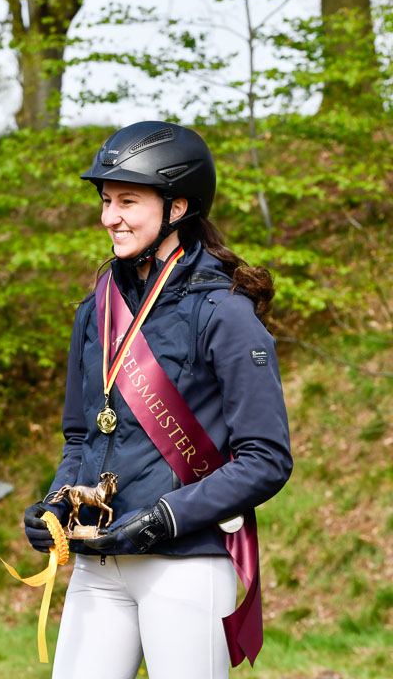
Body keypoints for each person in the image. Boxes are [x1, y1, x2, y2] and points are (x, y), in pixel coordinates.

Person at [24, 121, 293, 679]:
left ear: (177, 207)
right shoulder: (94, 310)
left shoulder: (226, 312)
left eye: (127, 201)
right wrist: (55, 504)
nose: (108, 217)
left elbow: (266, 460)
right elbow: (83, 435)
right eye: (105, 200)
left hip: (186, 564)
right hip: (100, 562)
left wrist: (165, 518)